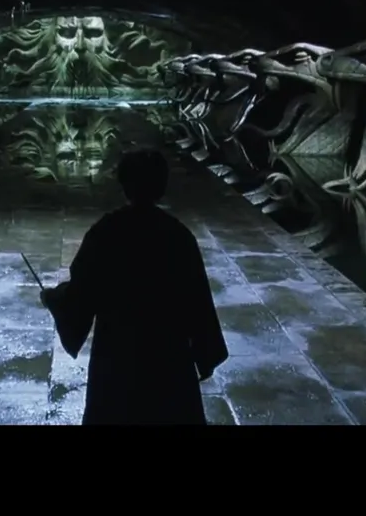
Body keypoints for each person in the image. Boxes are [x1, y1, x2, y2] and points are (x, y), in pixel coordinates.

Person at [41, 148, 229, 425]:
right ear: (161, 186)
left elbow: (81, 295)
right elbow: (197, 299)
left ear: (124, 184)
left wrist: (55, 299)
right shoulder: (177, 235)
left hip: (117, 356)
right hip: (167, 355)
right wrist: (205, 351)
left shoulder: (105, 232)